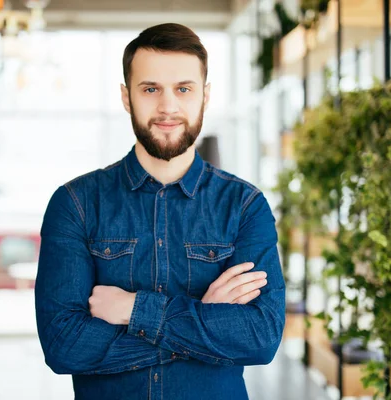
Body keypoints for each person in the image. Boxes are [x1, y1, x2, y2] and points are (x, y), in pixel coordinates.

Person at [35, 23, 285, 400]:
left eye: (183, 89)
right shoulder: (76, 204)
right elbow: (63, 344)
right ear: (126, 97)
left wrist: (134, 310)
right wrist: (204, 318)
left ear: (205, 96)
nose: (168, 107)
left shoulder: (245, 206)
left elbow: (260, 338)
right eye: (150, 89)